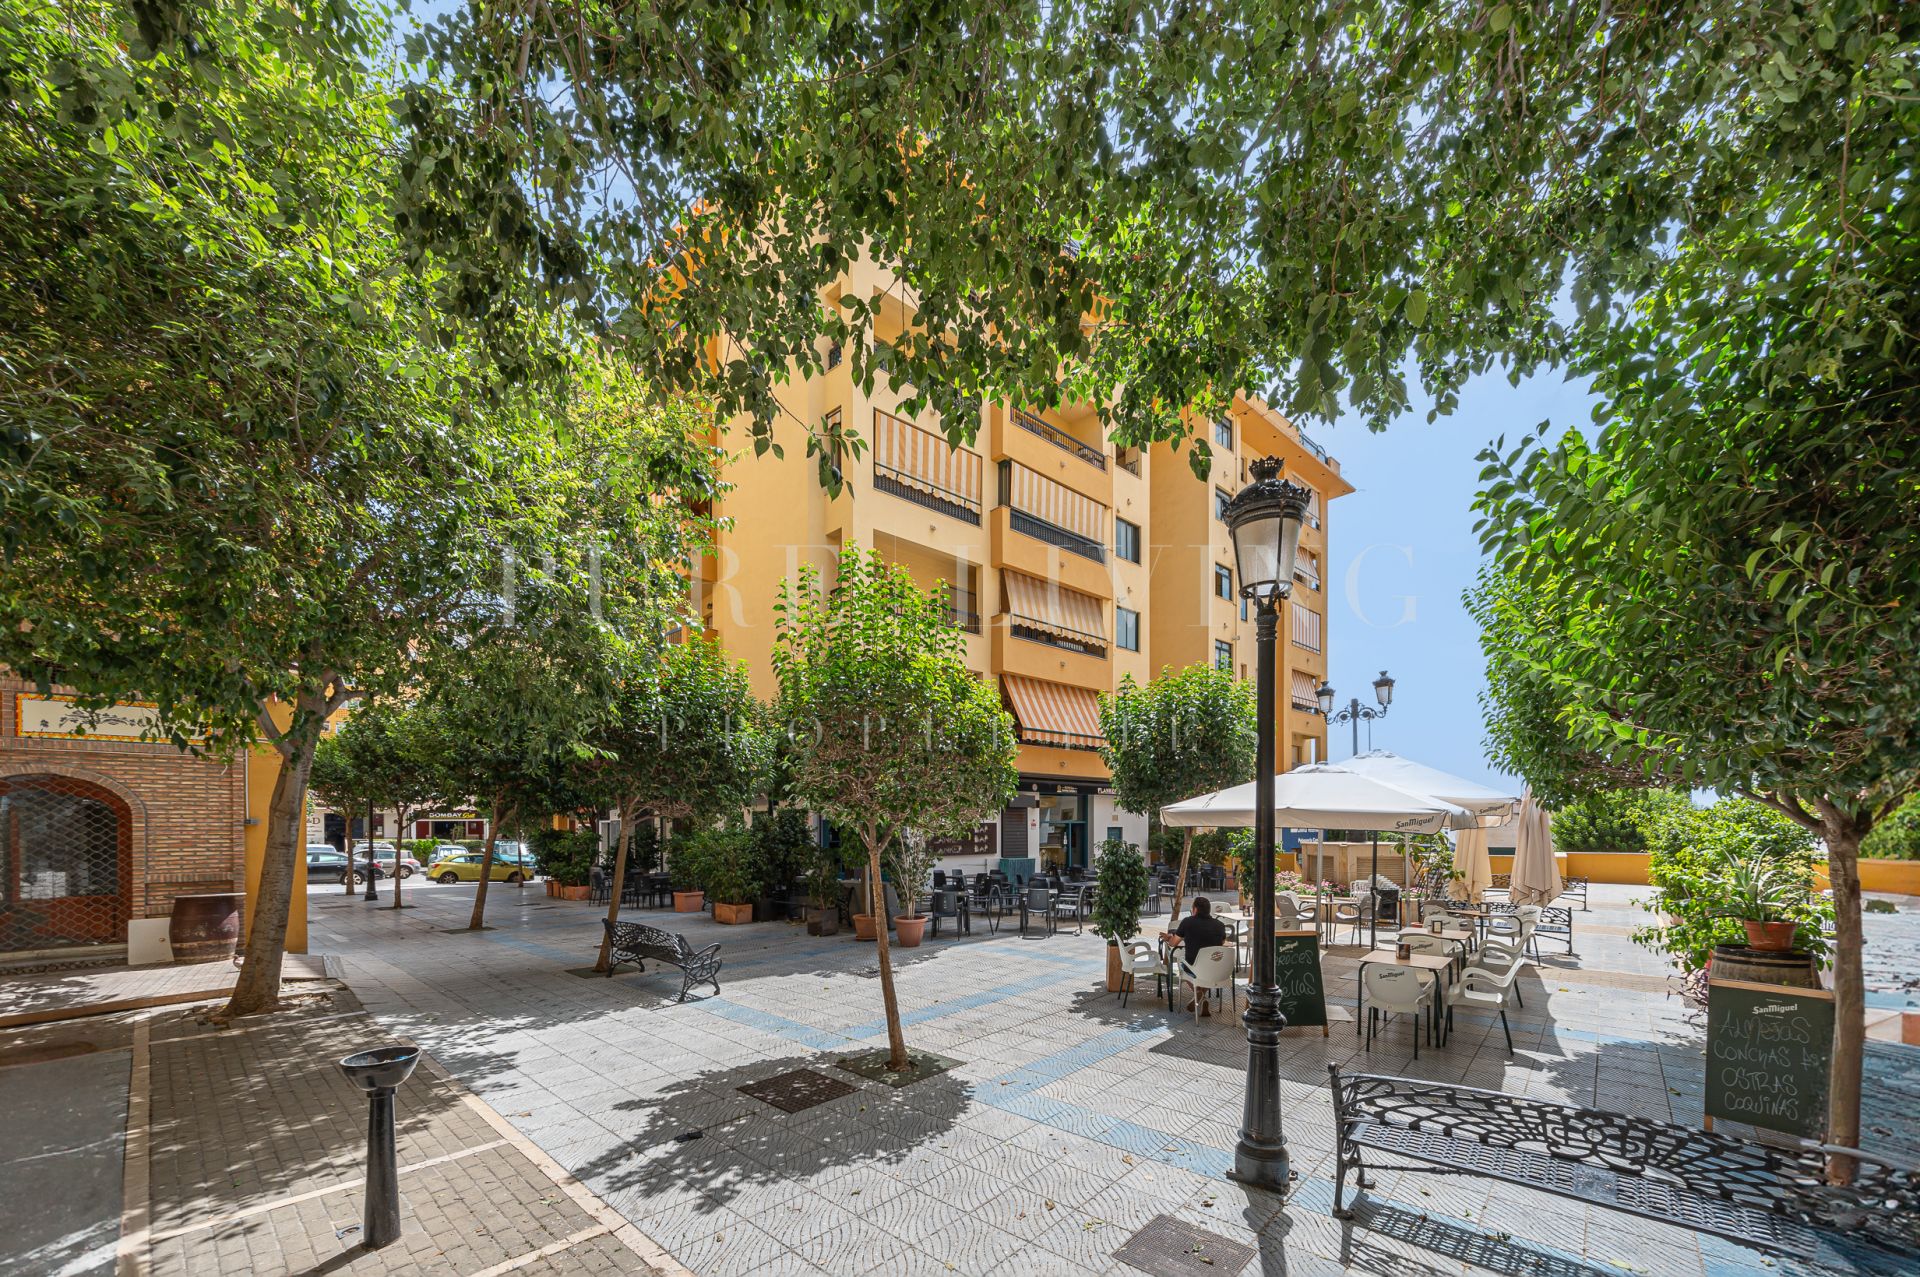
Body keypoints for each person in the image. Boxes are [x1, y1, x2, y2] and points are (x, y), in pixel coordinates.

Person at [1171, 896, 1229, 1016]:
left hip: (1194, 969)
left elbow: (1173, 943)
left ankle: (1199, 993)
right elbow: (1222, 943)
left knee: (1182, 964)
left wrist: (1169, 938)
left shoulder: (1187, 922)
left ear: (1195, 909)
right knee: (1208, 968)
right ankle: (1203, 997)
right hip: (1217, 970)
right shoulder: (1219, 925)